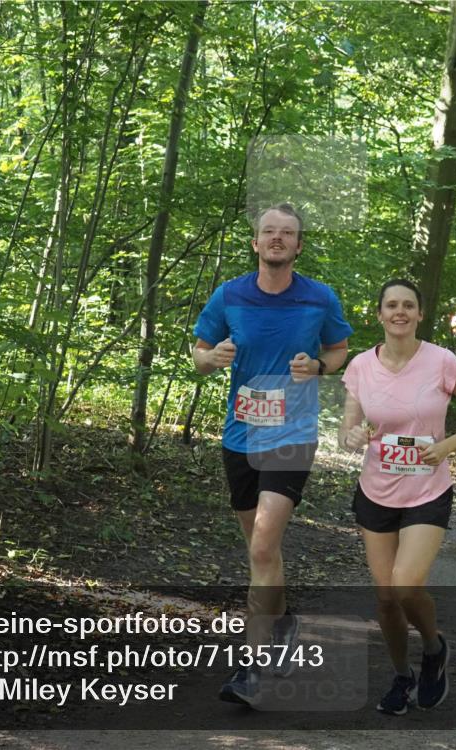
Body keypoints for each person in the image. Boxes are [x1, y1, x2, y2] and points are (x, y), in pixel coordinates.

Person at [192, 203, 352, 706]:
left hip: (293, 434)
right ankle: (282, 625)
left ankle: (252, 669)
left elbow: (340, 350)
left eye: (288, 233)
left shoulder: (319, 297)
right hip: (239, 438)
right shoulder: (230, 295)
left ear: (299, 246)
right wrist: (211, 358)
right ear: (256, 244)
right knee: (261, 550)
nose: (278, 239)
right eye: (269, 232)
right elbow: (198, 352)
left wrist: (319, 368)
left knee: (263, 547)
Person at [339, 279, 456, 715]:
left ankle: (433, 648)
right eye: (391, 305)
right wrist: (352, 435)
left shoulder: (442, 362)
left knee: (406, 583)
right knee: (386, 597)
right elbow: (347, 430)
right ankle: (401, 677)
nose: (400, 312)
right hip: (376, 491)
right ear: (379, 314)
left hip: (427, 490)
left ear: (419, 314)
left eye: (408, 304)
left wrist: (446, 447)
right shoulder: (359, 366)